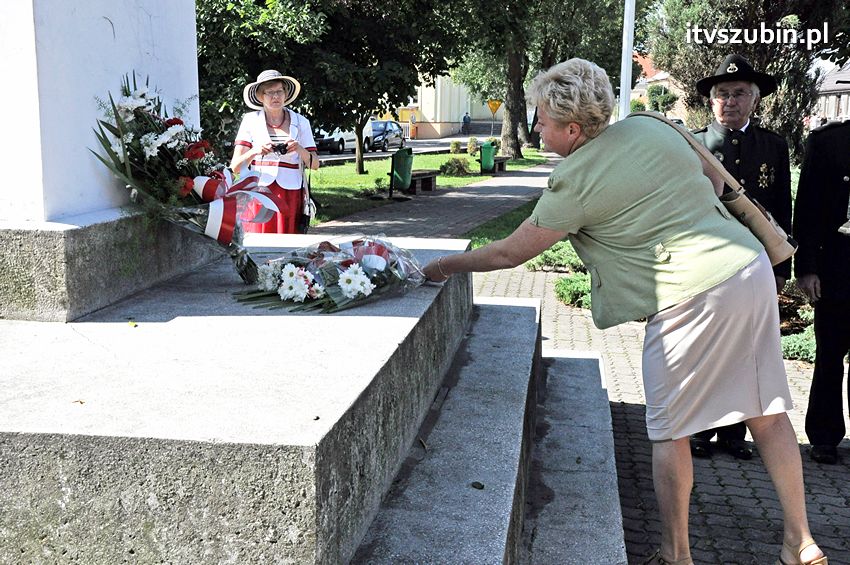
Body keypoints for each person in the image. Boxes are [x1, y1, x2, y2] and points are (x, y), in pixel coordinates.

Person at [422, 58, 827, 565]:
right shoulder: (651, 126)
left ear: (571, 129)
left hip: (687, 295)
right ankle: (801, 541)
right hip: (748, 270)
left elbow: (508, 254)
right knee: (767, 413)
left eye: (541, 121)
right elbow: (719, 187)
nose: (537, 129)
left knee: (669, 430)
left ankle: (674, 554)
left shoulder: (573, 180)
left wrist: (439, 266)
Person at [689, 54, 793, 461]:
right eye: (722, 94)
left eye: (739, 94)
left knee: (746, 351)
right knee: (704, 348)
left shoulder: (773, 147)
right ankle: (700, 429)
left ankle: (734, 433)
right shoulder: (695, 145)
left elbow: (780, 209)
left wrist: (782, 266)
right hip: (707, 263)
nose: (730, 101)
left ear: (755, 99)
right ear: (711, 101)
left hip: (754, 265)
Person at [793, 119, 850, 465]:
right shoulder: (829, 142)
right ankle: (824, 437)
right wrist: (808, 267)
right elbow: (808, 209)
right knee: (829, 356)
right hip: (837, 266)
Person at [231, 69, 319, 234]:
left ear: (286, 94)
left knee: (289, 242)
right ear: (260, 96)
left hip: (291, 194)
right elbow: (235, 166)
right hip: (260, 193)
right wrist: (255, 151)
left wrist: (299, 149)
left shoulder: (301, 122)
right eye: (269, 92)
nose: (275, 97)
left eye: (279, 91)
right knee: (259, 242)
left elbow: (315, 164)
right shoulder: (250, 121)